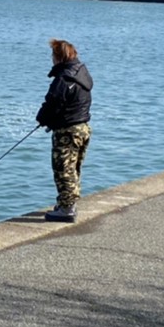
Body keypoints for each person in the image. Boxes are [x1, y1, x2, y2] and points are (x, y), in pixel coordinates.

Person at [36, 38, 93, 222]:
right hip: (83, 127)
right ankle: (68, 203)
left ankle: (67, 209)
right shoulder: (81, 73)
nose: (51, 59)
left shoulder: (64, 78)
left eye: (53, 55)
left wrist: (42, 119)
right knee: (74, 167)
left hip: (67, 130)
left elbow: (53, 102)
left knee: (63, 168)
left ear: (58, 57)